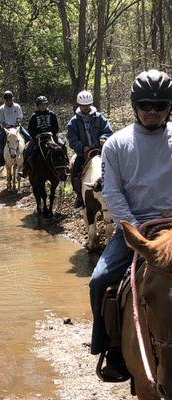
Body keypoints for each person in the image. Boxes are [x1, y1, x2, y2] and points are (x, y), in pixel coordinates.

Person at [89, 69, 172, 381]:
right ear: (135, 106)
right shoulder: (116, 144)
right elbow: (113, 193)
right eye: (146, 106)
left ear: (168, 107)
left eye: (160, 106)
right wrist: (135, 230)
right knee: (100, 280)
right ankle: (109, 347)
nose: (152, 112)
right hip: (135, 229)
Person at [67, 90, 113, 208]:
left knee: (115, 166)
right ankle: (79, 197)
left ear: (91, 104)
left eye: (87, 105)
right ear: (79, 105)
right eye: (83, 106)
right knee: (75, 170)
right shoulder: (73, 122)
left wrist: (103, 138)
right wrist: (82, 147)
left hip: (99, 149)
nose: (85, 108)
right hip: (83, 153)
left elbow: (108, 131)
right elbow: (72, 140)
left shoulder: (99, 117)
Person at [19, 96, 60, 177]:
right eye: (41, 105)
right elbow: (30, 129)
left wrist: (52, 133)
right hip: (38, 138)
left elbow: (56, 126)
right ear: (38, 106)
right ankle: (25, 169)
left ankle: (66, 165)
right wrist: (35, 135)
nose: (43, 106)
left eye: (44, 104)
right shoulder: (34, 116)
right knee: (28, 149)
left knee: (61, 145)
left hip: (50, 136)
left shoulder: (51, 114)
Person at [0, 90, 31, 165]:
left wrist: (17, 122)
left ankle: (28, 156)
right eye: (7, 100)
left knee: (28, 137)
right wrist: (4, 124)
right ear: (5, 100)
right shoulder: (1, 108)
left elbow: (20, 115)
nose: (9, 102)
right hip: (6, 129)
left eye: (10, 100)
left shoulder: (17, 106)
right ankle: (1, 158)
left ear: (12, 99)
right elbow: (0, 119)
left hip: (17, 127)